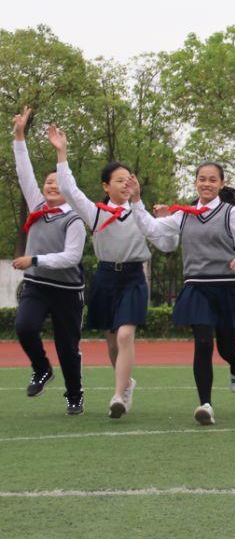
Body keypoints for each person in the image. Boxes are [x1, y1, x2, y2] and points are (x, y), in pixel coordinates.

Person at [48, 124, 177, 418]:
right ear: (106, 186)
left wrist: (163, 219)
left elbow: (168, 245)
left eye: (128, 180)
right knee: (111, 340)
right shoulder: (95, 212)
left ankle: (119, 396)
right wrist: (62, 152)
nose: (124, 184)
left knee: (125, 335)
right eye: (118, 181)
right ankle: (127, 381)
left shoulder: (140, 213)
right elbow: (69, 189)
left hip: (133, 278)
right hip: (106, 277)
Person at [128, 162, 235, 426]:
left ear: (221, 184)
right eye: (202, 179)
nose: (206, 184)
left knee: (226, 347)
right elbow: (153, 230)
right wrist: (137, 201)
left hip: (225, 286)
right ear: (196, 182)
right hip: (196, 285)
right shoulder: (184, 214)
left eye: (212, 180)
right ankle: (205, 404)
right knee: (202, 342)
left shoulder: (231, 213)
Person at [11, 107, 87, 415]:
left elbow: (71, 258)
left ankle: (74, 394)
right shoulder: (37, 205)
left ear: (67, 189)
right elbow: (24, 171)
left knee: (67, 348)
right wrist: (19, 135)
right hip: (37, 285)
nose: (51, 186)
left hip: (68, 291)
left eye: (58, 183)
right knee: (25, 327)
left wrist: (34, 259)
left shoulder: (75, 220)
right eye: (48, 182)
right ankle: (42, 368)